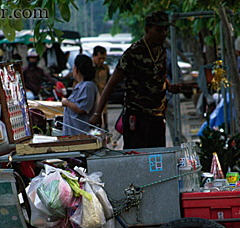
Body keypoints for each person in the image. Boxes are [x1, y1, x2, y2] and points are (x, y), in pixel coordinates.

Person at [89, 11, 181, 149]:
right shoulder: (133, 53)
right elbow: (111, 83)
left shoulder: (161, 51)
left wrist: (170, 87)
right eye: (158, 30)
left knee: (157, 160)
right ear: (147, 30)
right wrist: (97, 113)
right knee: (137, 159)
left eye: (165, 30)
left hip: (157, 116)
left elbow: (159, 76)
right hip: (138, 118)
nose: (163, 34)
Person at [61, 55, 98, 136]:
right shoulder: (80, 86)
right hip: (73, 134)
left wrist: (66, 102)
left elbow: (82, 108)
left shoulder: (88, 86)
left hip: (82, 135)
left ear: (76, 69)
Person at [92, 46, 110, 130]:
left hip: (103, 98)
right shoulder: (90, 68)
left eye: (104, 59)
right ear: (93, 56)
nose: (102, 61)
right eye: (99, 58)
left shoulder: (105, 68)